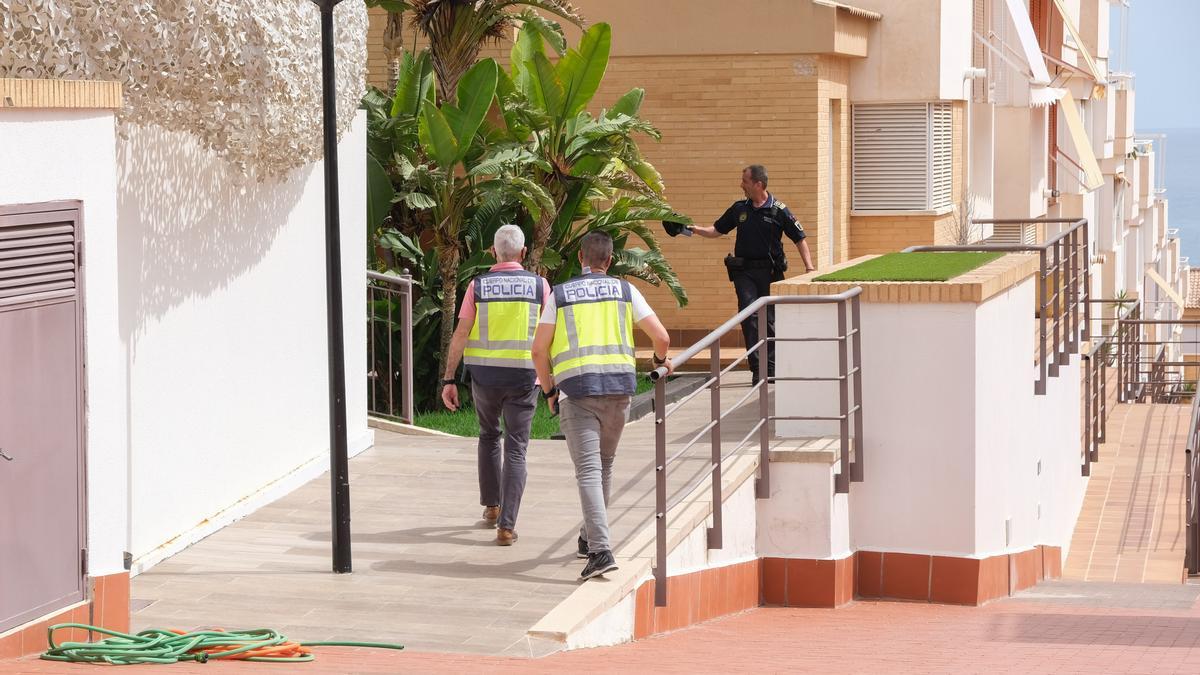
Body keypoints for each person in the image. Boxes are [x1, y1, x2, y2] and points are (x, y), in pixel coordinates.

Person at [531, 231, 674, 581]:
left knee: (590, 472)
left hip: (578, 393)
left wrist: (549, 391)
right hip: (619, 392)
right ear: (610, 261)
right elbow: (662, 337)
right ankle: (589, 537)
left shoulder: (561, 295)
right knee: (603, 466)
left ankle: (600, 551)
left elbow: (538, 350)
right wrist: (659, 359)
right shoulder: (626, 290)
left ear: (581, 258)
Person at [441, 224, 551, 546]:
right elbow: (550, 334)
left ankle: (492, 507)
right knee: (516, 447)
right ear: (524, 252)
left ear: (493, 252)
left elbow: (461, 334)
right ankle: (507, 526)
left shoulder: (478, 286)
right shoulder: (539, 286)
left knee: (489, 436)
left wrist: (449, 378)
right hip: (523, 379)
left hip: (485, 378)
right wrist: (551, 381)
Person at [689, 165, 815, 384]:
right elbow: (717, 230)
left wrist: (810, 268)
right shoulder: (739, 209)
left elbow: (799, 238)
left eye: (745, 181)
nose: (741, 185)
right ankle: (758, 369)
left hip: (771, 272)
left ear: (758, 184)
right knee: (749, 316)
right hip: (745, 272)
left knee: (770, 321)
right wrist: (694, 229)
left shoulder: (779, 210)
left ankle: (772, 368)